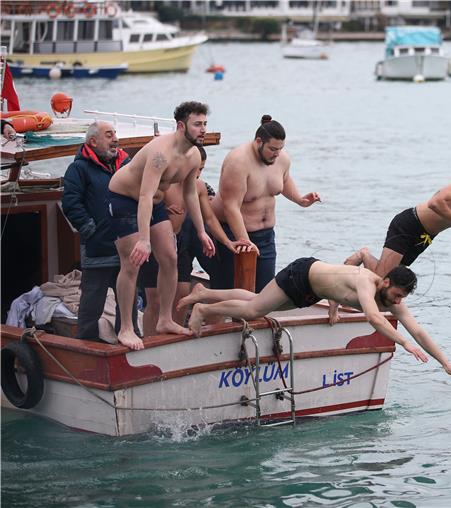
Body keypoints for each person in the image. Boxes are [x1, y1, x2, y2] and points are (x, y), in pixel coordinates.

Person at [177, 260, 451, 379]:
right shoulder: (367, 283)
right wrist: (404, 344)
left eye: (402, 298)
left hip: (313, 291)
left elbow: (418, 330)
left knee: (257, 300)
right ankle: (203, 309)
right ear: (386, 280)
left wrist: (445, 362)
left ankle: (204, 292)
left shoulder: (392, 297)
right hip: (301, 275)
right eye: (396, 293)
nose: (398, 301)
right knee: (255, 310)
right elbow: (374, 319)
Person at [329, 152, 451, 324]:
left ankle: (363, 264)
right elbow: (435, 202)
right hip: (409, 224)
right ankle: (358, 262)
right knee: (381, 281)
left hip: (425, 236)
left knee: (387, 279)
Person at [107, 101, 215, 350]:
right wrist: (144, 240)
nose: (203, 129)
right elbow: (145, 195)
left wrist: (201, 231)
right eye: (197, 124)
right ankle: (125, 328)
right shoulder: (160, 153)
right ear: (181, 125)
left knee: (169, 257)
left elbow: (190, 194)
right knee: (132, 263)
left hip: (153, 203)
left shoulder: (194, 155)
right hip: (125, 200)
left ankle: (165, 319)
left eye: (205, 124)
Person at [137, 146, 251, 333]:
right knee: (155, 299)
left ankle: (175, 335)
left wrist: (227, 241)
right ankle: (150, 340)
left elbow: (209, 218)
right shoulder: (164, 183)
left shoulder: (198, 187)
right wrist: (163, 211)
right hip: (156, 241)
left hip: (180, 242)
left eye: (202, 169)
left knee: (182, 294)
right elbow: (141, 204)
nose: (198, 174)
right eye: (196, 168)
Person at [210, 115, 321, 292]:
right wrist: (245, 242)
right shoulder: (238, 162)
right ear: (258, 141)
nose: (277, 154)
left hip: (266, 236)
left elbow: (283, 181)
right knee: (231, 292)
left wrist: (300, 200)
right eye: (272, 149)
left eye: (280, 149)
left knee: (264, 293)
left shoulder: (281, 158)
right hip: (232, 233)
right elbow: (230, 206)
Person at [62, 121, 141, 341]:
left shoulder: (127, 165)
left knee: (129, 298)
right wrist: (90, 230)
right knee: (92, 300)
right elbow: (70, 203)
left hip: (127, 243)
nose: (115, 138)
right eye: (109, 135)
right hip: (98, 246)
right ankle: (85, 345)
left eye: (115, 133)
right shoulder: (78, 169)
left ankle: (128, 335)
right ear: (93, 141)